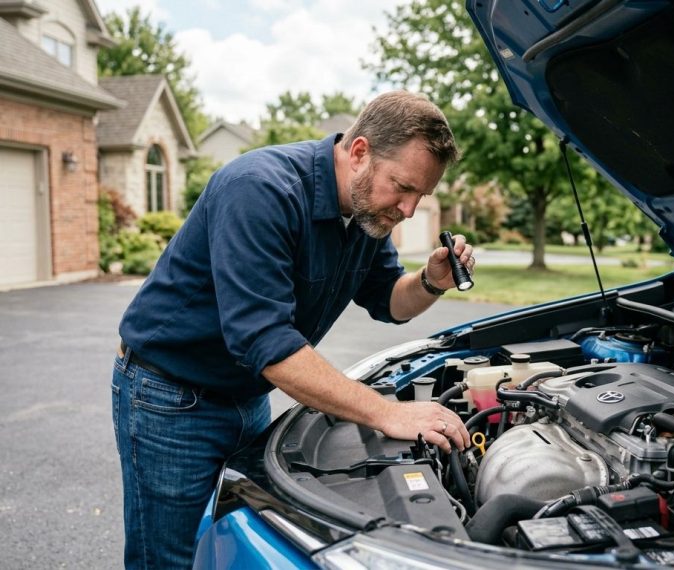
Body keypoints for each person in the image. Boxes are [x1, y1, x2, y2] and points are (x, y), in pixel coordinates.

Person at [111, 91, 475, 569]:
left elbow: (390, 299)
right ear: (359, 152)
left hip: (247, 395)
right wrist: (387, 413)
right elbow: (264, 340)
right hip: (171, 398)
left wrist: (431, 281)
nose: (408, 210)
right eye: (402, 187)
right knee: (170, 559)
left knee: (231, 543)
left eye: (420, 196)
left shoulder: (367, 213)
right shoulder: (259, 189)